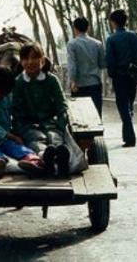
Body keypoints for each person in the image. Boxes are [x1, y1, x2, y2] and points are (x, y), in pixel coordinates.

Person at [12, 42, 87, 177]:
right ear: (21, 61)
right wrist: (20, 128)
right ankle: (45, 157)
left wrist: (61, 121)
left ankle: (62, 158)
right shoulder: (18, 83)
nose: (30, 62)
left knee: (55, 137)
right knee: (36, 139)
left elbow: (61, 103)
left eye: (34, 58)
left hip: (50, 122)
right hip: (28, 126)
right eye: (26, 58)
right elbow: (15, 110)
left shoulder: (51, 80)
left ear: (42, 60)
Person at [105, 9, 137, 148]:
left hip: (120, 77)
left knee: (123, 106)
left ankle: (130, 137)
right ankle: (129, 134)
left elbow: (110, 61)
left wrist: (112, 75)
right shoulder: (134, 35)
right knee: (129, 104)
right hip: (134, 75)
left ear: (113, 22)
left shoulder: (111, 39)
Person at [67, 17, 107, 117]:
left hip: (79, 85)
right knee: (96, 115)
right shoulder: (98, 44)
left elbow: (72, 65)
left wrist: (72, 81)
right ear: (88, 28)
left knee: (80, 117)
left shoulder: (72, 44)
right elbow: (102, 64)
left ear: (75, 28)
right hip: (95, 83)